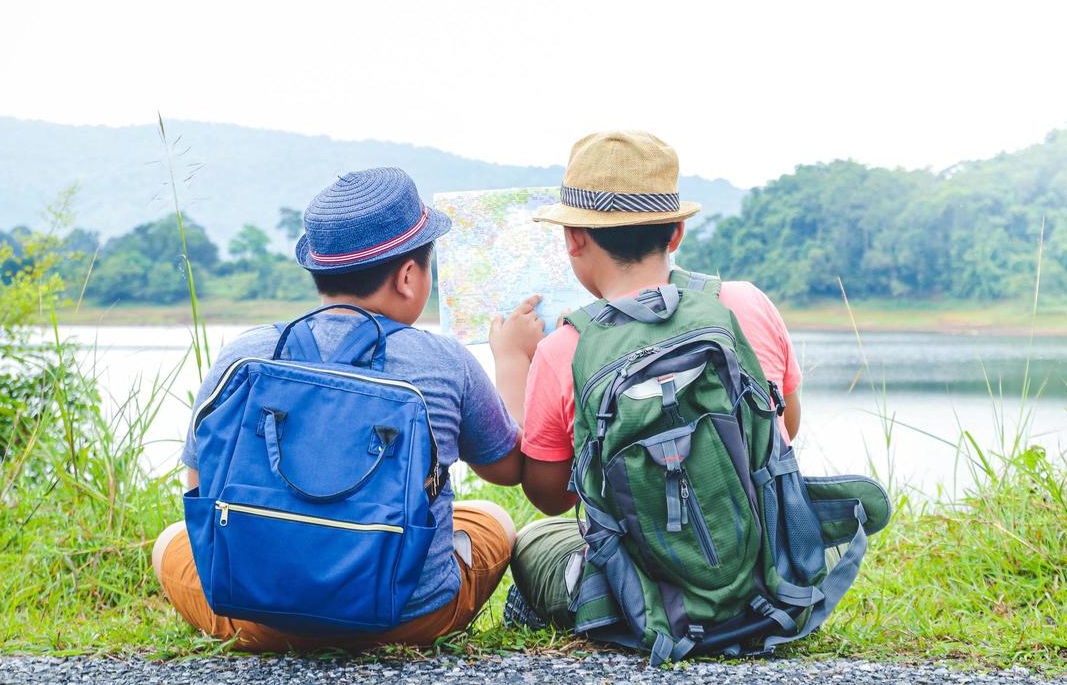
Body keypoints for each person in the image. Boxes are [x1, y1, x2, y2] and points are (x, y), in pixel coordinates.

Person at [152, 167, 540, 650]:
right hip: (407, 618)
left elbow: (199, 488)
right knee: (490, 518)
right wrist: (512, 359)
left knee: (169, 542)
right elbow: (508, 468)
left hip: (258, 616)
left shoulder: (246, 353)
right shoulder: (444, 360)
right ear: (407, 277)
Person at [488, 131, 803, 630]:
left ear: (574, 238)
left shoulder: (564, 349)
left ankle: (565, 612)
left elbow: (550, 495)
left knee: (533, 539)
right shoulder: (745, 304)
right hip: (770, 580)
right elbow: (786, 425)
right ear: (676, 232)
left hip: (644, 603)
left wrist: (512, 364)